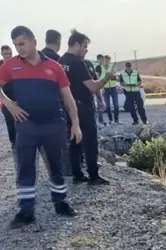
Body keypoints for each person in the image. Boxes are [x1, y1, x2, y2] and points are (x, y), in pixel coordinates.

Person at [0, 25, 81, 227]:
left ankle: (61, 203)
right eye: (16, 45)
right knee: (25, 168)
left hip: (54, 125)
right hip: (26, 127)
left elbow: (68, 97)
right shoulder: (10, 66)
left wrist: (76, 125)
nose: (19, 49)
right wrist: (9, 105)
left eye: (22, 44)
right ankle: (26, 212)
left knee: (56, 166)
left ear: (33, 41)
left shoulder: (54, 66)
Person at [59, 29, 112, 185]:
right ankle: (93, 176)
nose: (86, 49)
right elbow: (93, 87)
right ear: (77, 44)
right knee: (90, 142)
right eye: (85, 46)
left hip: (68, 107)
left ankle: (77, 174)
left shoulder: (61, 61)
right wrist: (107, 77)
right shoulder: (77, 63)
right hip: (83, 107)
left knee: (74, 141)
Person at [1, 44, 17, 155]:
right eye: (6, 54)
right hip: (5, 99)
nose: (8, 56)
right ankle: (14, 142)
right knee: (9, 120)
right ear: (2, 54)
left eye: (10, 54)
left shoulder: (16, 64)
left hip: (18, 97)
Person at [102, 54, 119, 124]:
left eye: (108, 61)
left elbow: (115, 76)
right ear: (104, 60)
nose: (107, 62)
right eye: (106, 61)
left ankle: (116, 120)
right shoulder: (101, 67)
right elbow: (101, 77)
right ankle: (110, 120)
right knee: (107, 105)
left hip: (113, 87)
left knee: (116, 104)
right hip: (105, 88)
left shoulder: (113, 67)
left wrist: (112, 72)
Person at [93, 54, 106, 125]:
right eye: (101, 59)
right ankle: (100, 121)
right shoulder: (97, 67)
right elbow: (97, 78)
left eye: (103, 59)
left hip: (100, 87)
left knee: (101, 104)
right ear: (98, 59)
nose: (103, 61)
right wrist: (100, 87)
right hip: (98, 87)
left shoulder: (102, 67)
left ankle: (101, 120)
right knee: (99, 104)